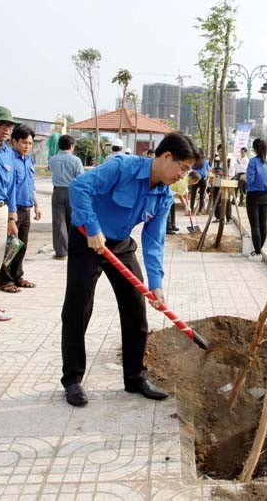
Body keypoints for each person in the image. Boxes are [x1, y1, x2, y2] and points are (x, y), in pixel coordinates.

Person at [60, 131, 200, 406]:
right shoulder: (121, 167)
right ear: (166, 156)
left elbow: (153, 242)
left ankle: (135, 377)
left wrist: (156, 284)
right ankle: (73, 379)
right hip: (88, 239)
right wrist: (93, 228)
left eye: (188, 171)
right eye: (182, 168)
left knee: (136, 308)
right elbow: (79, 187)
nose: (183, 176)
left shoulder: (162, 195)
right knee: (78, 308)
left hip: (121, 245)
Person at [0, 125, 42, 293]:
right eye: (24, 142)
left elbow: (30, 185)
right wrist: (12, 214)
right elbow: (9, 187)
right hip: (12, 209)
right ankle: (6, 280)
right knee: (9, 246)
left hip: (26, 208)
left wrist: (37, 204)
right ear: (14, 141)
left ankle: (18, 276)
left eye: (30, 143)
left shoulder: (28, 160)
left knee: (21, 245)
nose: (27, 146)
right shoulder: (9, 159)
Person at [0, 106, 19, 321]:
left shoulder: (9, 153)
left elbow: (12, 188)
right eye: (2, 124)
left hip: (0, 211)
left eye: (9, 125)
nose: (7, 129)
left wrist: (12, 218)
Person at [48, 135, 84, 260]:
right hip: (72, 192)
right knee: (73, 221)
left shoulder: (52, 159)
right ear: (71, 146)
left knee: (59, 222)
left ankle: (61, 252)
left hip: (57, 191)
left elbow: (50, 169)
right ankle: (74, 248)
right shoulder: (76, 160)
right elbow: (80, 177)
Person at [245, 139, 267, 261]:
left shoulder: (253, 162)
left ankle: (257, 253)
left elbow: (250, 180)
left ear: (255, 149)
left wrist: (244, 177)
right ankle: (258, 250)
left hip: (253, 196)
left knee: (255, 226)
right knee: (263, 224)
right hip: (266, 196)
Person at [167, 170, 201, 234]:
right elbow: (180, 196)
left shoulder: (186, 177)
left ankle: (172, 225)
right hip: (167, 191)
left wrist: (186, 191)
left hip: (171, 191)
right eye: (195, 181)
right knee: (168, 209)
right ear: (191, 178)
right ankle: (168, 229)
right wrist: (186, 206)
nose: (195, 183)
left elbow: (184, 193)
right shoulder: (183, 183)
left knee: (172, 206)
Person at [212, 144, 235, 224]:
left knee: (227, 201)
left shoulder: (229, 161)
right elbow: (212, 170)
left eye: (223, 151)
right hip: (217, 183)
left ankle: (228, 218)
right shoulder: (216, 160)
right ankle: (217, 217)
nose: (221, 153)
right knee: (216, 200)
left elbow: (232, 173)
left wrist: (223, 174)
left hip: (225, 184)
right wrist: (214, 171)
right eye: (220, 151)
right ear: (218, 151)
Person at [190, 149, 209, 214]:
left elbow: (191, 168)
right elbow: (208, 169)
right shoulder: (206, 161)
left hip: (195, 178)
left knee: (193, 195)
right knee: (202, 196)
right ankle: (200, 211)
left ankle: (191, 209)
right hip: (203, 180)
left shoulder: (195, 161)